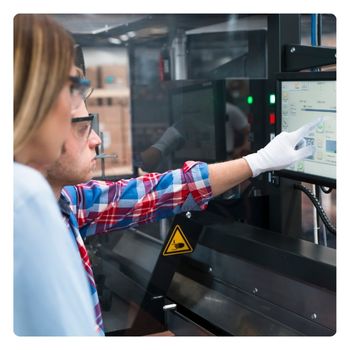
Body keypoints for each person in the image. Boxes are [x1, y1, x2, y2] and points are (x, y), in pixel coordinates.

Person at [46, 80, 321, 334]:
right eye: (82, 128)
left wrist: (258, 162)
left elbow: (158, 192)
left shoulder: (70, 202)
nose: (96, 140)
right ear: (37, 136)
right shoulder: (26, 236)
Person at [14, 14, 99, 335]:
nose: (72, 106)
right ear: (32, 95)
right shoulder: (24, 195)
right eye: (73, 88)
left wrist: (255, 163)